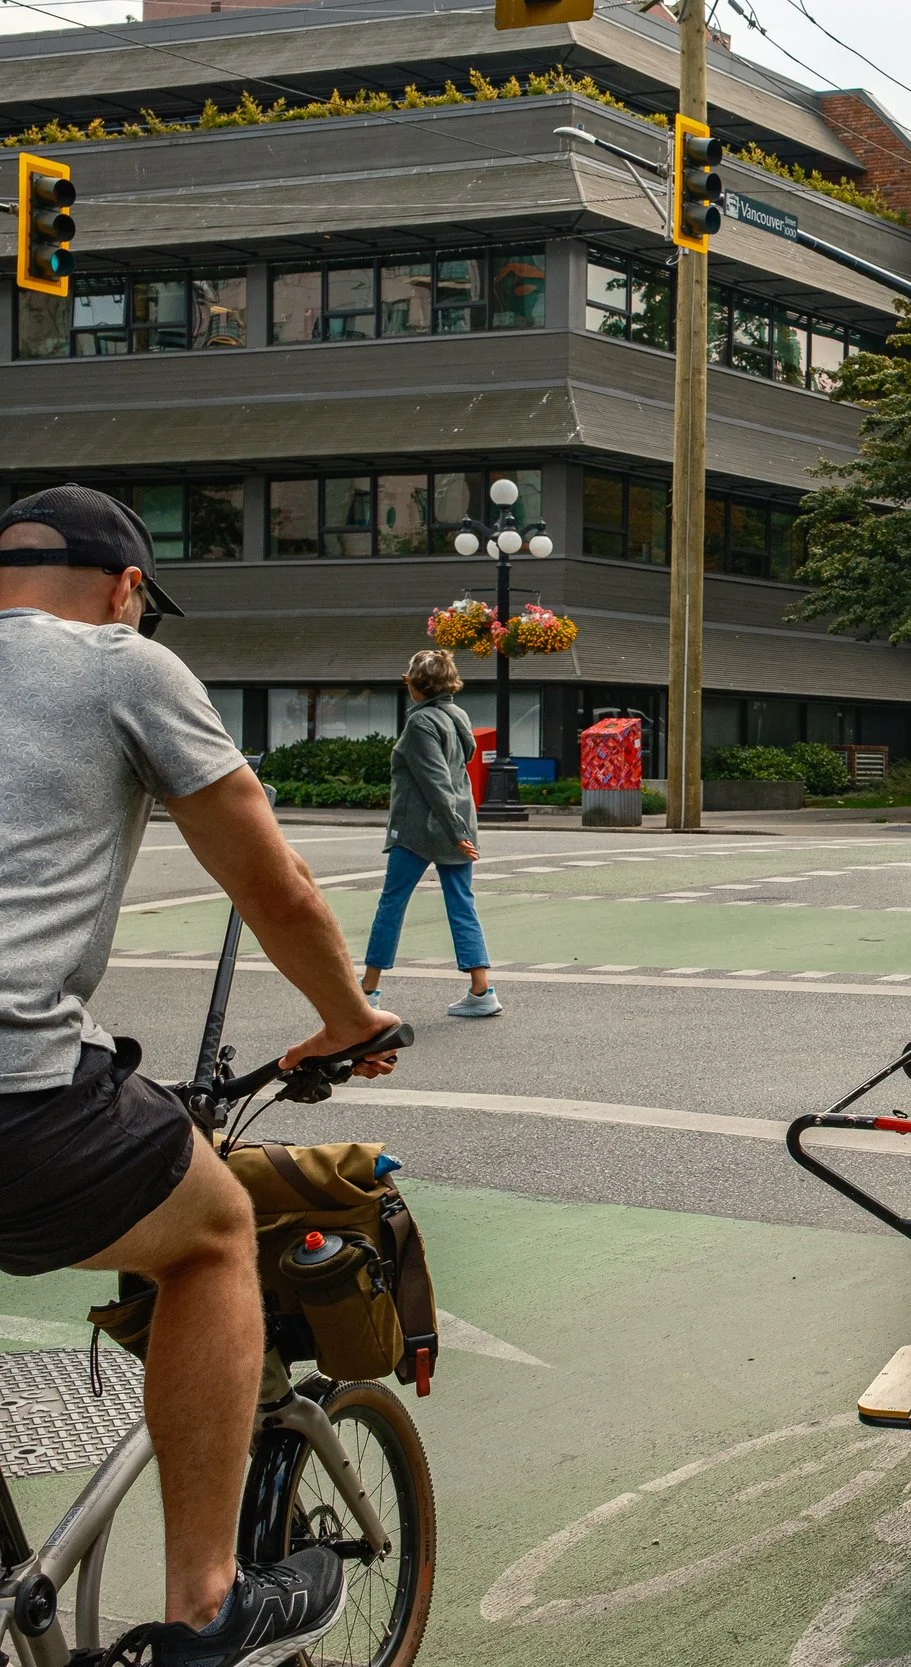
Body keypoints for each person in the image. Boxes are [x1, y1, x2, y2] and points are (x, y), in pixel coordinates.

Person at [0, 485, 402, 1666]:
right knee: (214, 1230)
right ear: (128, 589)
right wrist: (348, 1016)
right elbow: (271, 882)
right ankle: (204, 1605)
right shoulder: (121, 663)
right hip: (19, 1092)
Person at [362, 648, 499, 1018]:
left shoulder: (421, 724)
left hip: (419, 830)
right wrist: (460, 829)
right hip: (459, 823)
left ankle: (369, 991)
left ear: (415, 686)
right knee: (461, 903)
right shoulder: (459, 715)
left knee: (392, 903)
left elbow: (434, 781)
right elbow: (458, 771)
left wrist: (453, 830)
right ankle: (481, 989)